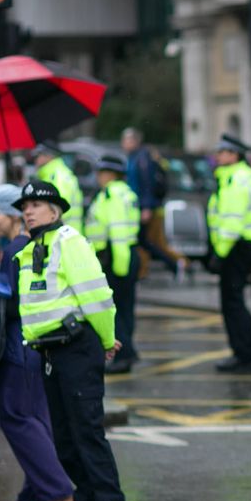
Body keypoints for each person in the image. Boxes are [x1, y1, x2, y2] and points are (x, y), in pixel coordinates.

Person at [12, 180, 138, 501]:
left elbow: (98, 298)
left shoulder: (70, 242)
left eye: (36, 204)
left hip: (77, 349)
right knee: (66, 443)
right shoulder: (32, 249)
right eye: (25, 206)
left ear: (56, 211)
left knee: (87, 437)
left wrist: (104, 340)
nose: (29, 211)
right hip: (49, 353)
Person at [0, 184, 74, 501]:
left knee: (17, 417)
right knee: (35, 417)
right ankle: (34, 490)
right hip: (34, 346)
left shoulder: (15, 250)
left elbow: (13, 304)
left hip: (18, 347)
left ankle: (56, 487)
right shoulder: (29, 245)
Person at [208, 134, 251, 373]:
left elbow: (232, 223)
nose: (218, 156)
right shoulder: (244, 177)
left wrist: (219, 255)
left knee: (231, 304)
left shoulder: (235, 180)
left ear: (234, 155)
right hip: (244, 246)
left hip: (235, 248)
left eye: (222, 152)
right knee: (236, 301)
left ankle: (243, 353)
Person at [86, 156, 142, 374]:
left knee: (112, 309)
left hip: (115, 256)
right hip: (126, 254)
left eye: (101, 173)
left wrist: (120, 266)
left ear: (110, 174)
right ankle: (125, 355)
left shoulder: (112, 195)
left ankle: (125, 354)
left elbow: (117, 232)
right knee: (126, 309)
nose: (98, 178)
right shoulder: (126, 193)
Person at [121, 128, 186, 279]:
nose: (124, 143)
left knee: (145, 241)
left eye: (127, 140)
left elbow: (147, 183)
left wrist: (147, 207)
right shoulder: (133, 157)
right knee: (145, 241)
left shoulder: (142, 158)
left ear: (136, 141)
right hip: (137, 207)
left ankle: (176, 263)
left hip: (144, 207)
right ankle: (172, 265)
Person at [32, 140, 84, 234]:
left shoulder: (58, 176)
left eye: (38, 155)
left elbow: (60, 209)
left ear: (48, 156)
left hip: (64, 236)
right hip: (64, 234)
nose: (35, 160)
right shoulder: (52, 174)